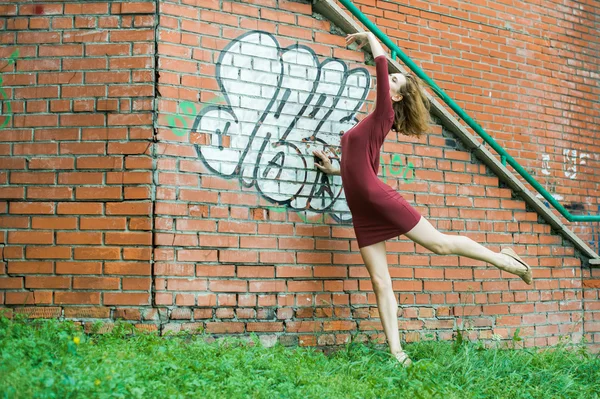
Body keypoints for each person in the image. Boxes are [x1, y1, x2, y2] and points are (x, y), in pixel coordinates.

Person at [313, 32, 532, 367]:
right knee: (379, 281)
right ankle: (397, 353)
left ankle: (504, 260)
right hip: (361, 209)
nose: (389, 80)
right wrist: (334, 170)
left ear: (396, 98)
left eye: (394, 81)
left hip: (378, 198)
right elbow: (361, 169)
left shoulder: (383, 114)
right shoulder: (369, 126)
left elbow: (380, 62)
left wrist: (371, 37)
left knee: (440, 245)